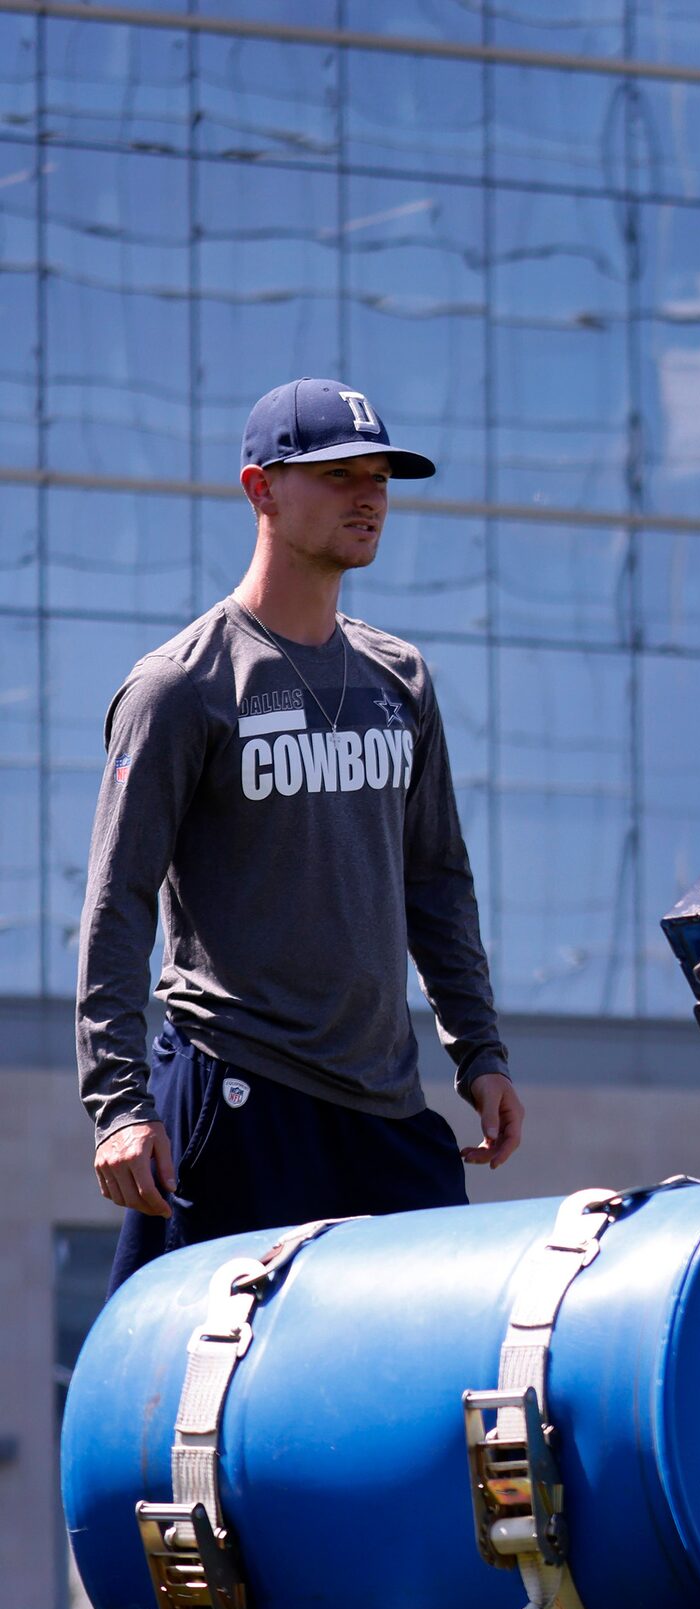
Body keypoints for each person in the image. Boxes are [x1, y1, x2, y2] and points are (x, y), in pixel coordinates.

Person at [79, 377, 522, 1290]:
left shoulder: (401, 679)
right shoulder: (180, 687)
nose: (369, 496)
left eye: (381, 477)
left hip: (387, 1107)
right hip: (239, 1094)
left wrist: (480, 1053)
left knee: (428, 1384)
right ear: (261, 488)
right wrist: (120, 1106)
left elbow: (435, 881)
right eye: (338, 474)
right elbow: (117, 901)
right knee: (191, 1386)